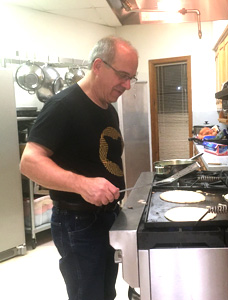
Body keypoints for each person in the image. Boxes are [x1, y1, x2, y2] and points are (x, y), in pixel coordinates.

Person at [20, 36, 139, 300]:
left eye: (131, 76)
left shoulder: (108, 108)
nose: (128, 85)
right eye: (122, 75)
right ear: (98, 66)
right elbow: (29, 161)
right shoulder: (64, 106)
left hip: (106, 216)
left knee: (106, 293)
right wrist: (82, 184)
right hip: (78, 223)